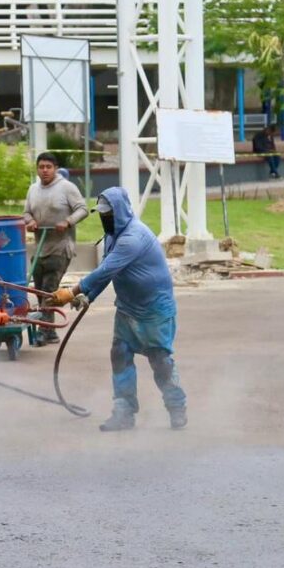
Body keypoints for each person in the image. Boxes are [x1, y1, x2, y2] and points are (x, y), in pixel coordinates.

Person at [52, 187, 187, 431]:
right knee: (119, 353)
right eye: (102, 214)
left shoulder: (133, 237)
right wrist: (87, 296)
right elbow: (108, 272)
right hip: (127, 308)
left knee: (159, 360)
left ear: (121, 212)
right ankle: (124, 411)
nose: (105, 218)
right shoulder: (112, 236)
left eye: (109, 214)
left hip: (154, 310)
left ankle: (177, 407)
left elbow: (106, 269)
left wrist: (72, 291)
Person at [23, 152, 88, 344]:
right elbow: (26, 212)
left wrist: (68, 222)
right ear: (37, 169)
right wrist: (30, 221)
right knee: (40, 291)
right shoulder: (33, 189)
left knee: (49, 290)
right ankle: (50, 332)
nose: (44, 171)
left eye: (48, 167)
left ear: (56, 169)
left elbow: (82, 209)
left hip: (60, 247)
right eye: (41, 167)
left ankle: (45, 330)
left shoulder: (66, 188)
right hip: (41, 246)